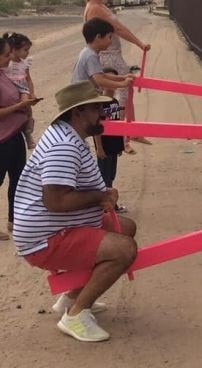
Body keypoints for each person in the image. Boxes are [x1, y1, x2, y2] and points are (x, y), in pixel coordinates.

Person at [12, 81, 136, 342]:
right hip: (45, 237)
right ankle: (76, 316)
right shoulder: (64, 146)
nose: (101, 114)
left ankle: (71, 299)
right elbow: (55, 201)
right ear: (77, 113)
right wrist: (100, 196)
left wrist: (103, 195)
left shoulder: (67, 135)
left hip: (53, 227)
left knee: (125, 228)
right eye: (95, 108)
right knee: (123, 250)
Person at [75, 0, 151, 154]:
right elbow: (118, 29)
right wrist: (139, 43)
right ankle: (120, 137)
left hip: (114, 54)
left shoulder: (98, 6)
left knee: (126, 92)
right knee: (120, 96)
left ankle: (130, 132)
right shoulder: (95, 8)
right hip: (110, 57)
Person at [0, 36, 41, 240]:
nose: (9, 59)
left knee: (18, 180)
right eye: (6, 55)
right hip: (2, 140)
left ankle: (14, 220)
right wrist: (19, 107)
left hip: (15, 135)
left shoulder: (4, 74)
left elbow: (22, 87)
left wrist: (25, 100)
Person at [95, 67, 127, 213]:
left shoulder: (114, 102)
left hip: (114, 145)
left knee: (111, 174)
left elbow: (118, 124)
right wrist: (99, 147)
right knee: (103, 176)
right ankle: (105, 208)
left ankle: (110, 205)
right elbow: (97, 128)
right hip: (105, 146)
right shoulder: (99, 104)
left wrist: (121, 144)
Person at [71, 17, 134, 93]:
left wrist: (122, 77)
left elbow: (102, 75)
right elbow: (99, 80)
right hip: (82, 96)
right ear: (98, 37)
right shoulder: (91, 56)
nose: (111, 41)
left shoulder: (88, 52)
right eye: (109, 37)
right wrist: (122, 84)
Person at [2, 32, 37, 149]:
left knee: (26, 106)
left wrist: (32, 93)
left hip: (22, 89)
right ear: (14, 50)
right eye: (25, 50)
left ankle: (28, 128)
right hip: (10, 88)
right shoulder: (7, 66)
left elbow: (28, 79)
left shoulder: (23, 64)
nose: (27, 53)